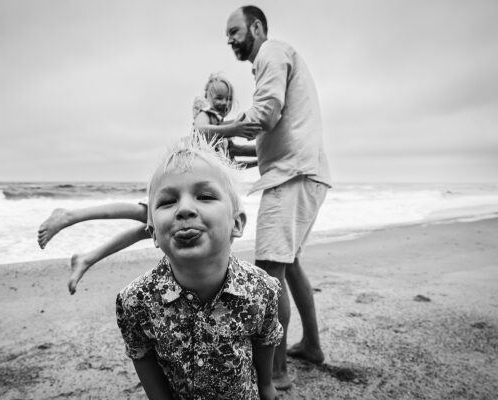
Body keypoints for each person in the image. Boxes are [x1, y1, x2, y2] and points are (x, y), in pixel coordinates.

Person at [37, 74, 260, 295]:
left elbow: (234, 158)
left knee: (144, 229)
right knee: (137, 213)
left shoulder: (221, 129)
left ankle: (87, 258)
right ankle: (69, 216)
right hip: (181, 188)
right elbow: (199, 131)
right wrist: (233, 130)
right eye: (219, 97)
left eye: (228, 99)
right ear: (207, 97)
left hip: (188, 194)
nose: (223, 103)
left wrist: (263, 157)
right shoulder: (206, 116)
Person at [116, 134, 283, 400]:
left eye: (204, 196)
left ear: (236, 224)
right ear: (154, 234)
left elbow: (266, 340)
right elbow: (141, 353)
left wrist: (266, 385)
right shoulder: (135, 301)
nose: (184, 209)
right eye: (167, 201)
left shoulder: (262, 289)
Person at [219, 5, 332, 390]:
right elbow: (272, 138)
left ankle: (278, 371)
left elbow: (265, 116)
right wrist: (234, 151)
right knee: (290, 264)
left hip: (292, 178)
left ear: (256, 26)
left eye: (234, 31)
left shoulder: (271, 52)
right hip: (302, 172)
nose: (230, 40)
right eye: (227, 36)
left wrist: (220, 131)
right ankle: (312, 347)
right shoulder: (277, 60)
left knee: (269, 273)